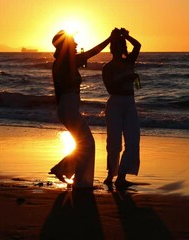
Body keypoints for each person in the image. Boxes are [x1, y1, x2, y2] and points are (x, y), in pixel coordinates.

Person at [50, 29, 118, 188]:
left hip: (68, 109)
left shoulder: (67, 61)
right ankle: (75, 178)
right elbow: (93, 52)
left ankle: (68, 173)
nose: (76, 44)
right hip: (68, 109)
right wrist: (109, 38)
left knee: (85, 144)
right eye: (73, 42)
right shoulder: (65, 62)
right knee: (87, 143)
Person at [102, 28, 141, 188]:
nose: (120, 49)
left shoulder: (129, 61)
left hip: (129, 104)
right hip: (115, 104)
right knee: (114, 143)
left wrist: (127, 36)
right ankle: (111, 175)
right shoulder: (107, 68)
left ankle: (122, 176)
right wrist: (126, 77)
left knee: (133, 140)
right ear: (112, 49)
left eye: (122, 45)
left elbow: (138, 46)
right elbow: (111, 88)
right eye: (117, 46)